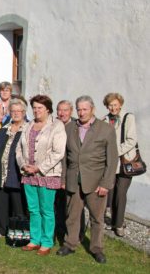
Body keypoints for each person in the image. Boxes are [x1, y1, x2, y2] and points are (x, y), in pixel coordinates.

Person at [56, 95, 118, 264]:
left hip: (96, 182)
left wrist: (106, 183)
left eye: (85, 109)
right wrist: (63, 179)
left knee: (97, 219)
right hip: (72, 180)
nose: (82, 113)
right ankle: (70, 244)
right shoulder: (69, 128)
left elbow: (112, 160)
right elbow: (64, 158)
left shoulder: (106, 129)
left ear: (92, 109)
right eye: (79, 109)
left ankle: (96, 249)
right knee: (72, 216)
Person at [16, 95, 66, 256]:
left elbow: (58, 152)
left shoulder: (56, 126)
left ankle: (46, 242)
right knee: (33, 209)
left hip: (47, 174)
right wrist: (23, 165)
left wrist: (38, 168)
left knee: (46, 210)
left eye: (40, 108)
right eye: (35, 107)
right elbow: (19, 149)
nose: (37, 110)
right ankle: (35, 240)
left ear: (48, 109)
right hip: (28, 174)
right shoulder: (29, 125)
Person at [0, 98, 27, 239]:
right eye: (13, 111)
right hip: (0, 172)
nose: (16, 114)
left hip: (16, 173)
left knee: (18, 204)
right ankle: (1, 229)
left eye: (19, 111)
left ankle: (20, 231)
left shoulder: (27, 130)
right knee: (0, 202)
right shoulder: (4, 129)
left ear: (24, 112)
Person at [103, 93, 137, 237]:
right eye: (110, 105)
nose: (113, 107)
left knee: (120, 193)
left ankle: (119, 224)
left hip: (124, 162)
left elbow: (131, 140)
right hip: (110, 164)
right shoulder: (104, 120)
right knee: (111, 194)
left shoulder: (128, 117)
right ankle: (113, 221)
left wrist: (115, 151)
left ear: (120, 105)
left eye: (115, 104)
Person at [55, 100, 86, 243]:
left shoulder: (76, 126)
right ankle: (61, 229)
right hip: (56, 170)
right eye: (59, 110)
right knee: (59, 203)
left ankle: (78, 233)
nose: (62, 113)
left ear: (71, 111)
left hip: (72, 171)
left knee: (74, 205)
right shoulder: (55, 125)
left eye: (65, 110)